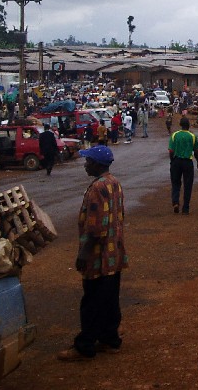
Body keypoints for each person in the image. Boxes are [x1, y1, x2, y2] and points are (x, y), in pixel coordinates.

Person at [57, 145, 128, 361]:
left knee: (92, 301)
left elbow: (96, 227)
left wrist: (84, 253)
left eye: (88, 161)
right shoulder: (114, 183)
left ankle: (85, 345)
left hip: (98, 254)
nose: (85, 165)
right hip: (114, 251)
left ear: (97, 164)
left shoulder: (97, 188)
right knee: (109, 298)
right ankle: (110, 339)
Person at [169, 117, 198, 215]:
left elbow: (171, 151)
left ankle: (175, 202)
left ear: (180, 125)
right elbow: (196, 152)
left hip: (176, 161)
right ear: (188, 125)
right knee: (188, 185)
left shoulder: (174, 135)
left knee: (175, 183)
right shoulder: (192, 136)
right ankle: (186, 208)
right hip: (188, 162)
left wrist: (172, 162)